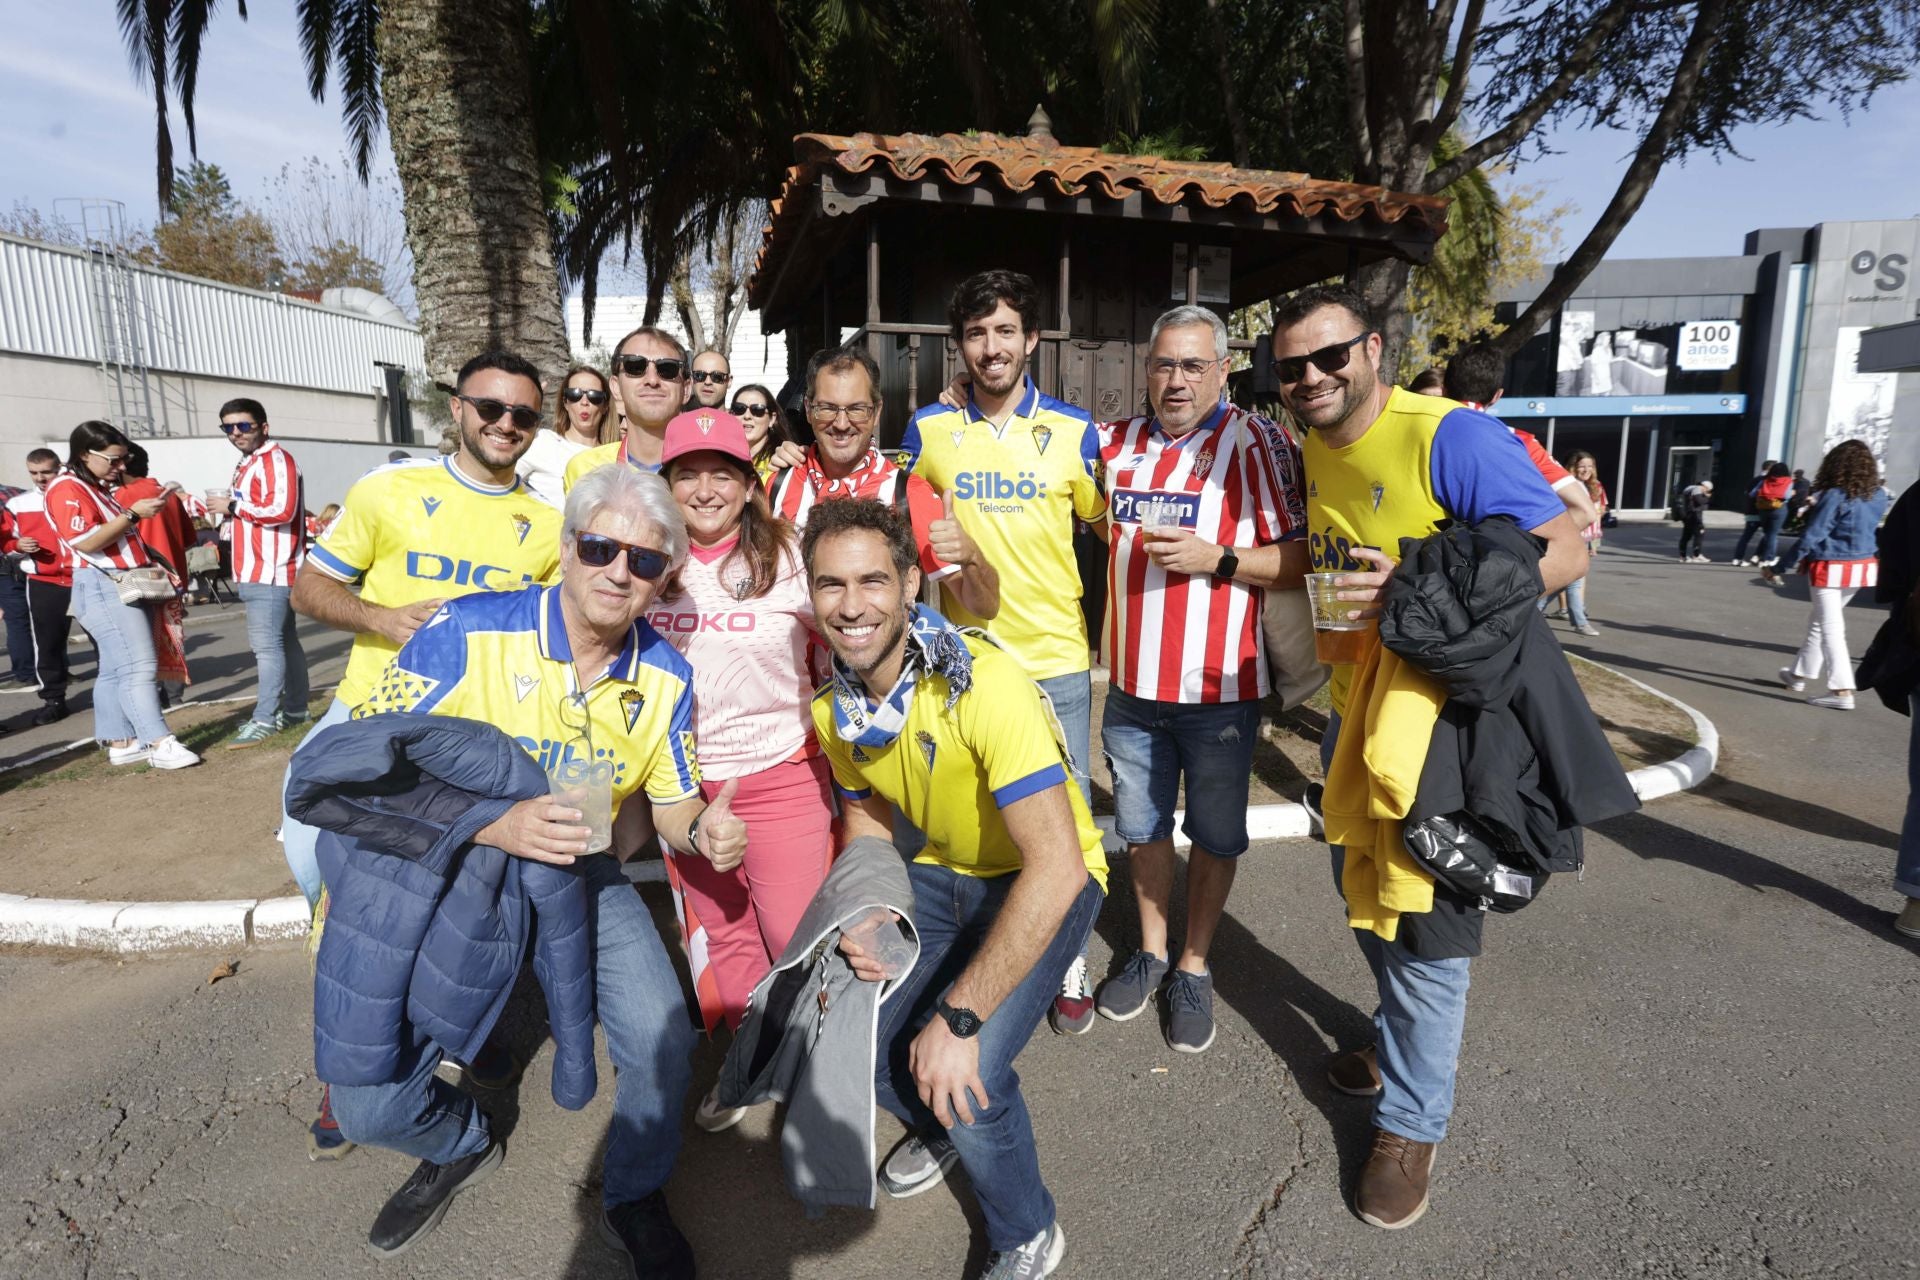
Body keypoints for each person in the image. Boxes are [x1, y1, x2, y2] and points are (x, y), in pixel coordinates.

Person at [322, 462, 742, 1276]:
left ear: (664, 581)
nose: (620, 572)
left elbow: (672, 808)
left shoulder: (668, 677)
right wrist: (495, 821)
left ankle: (631, 1192)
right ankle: (460, 1140)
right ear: (566, 546)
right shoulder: (465, 631)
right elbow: (360, 765)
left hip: (581, 875)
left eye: (645, 561)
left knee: (663, 1041)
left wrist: (702, 832)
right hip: (448, 868)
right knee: (368, 1105)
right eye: (600, 547)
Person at [1270, 285, 1584, 1229]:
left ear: (1374, 350)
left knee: (1431, 929)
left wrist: (1415, 586)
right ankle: (1397, 1043)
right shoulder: (1315, 449)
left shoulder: (1450, 435)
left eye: (1332, 358)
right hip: (1351, 718)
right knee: (1365, 897)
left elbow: (1564, 551)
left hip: (1446, 729)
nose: (1314, 378)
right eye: (1292, 368)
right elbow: (1325, 564)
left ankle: (1412, 1122)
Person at [805, 498, 1105, 1278]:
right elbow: (869, 823)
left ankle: (1028, 1230)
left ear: (910, 584)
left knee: (965, 1068)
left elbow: (1059, 865)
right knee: (860, 1040)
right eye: (830, 584)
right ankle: (941, 1126)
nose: (851, 605)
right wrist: (868, 911)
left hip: (1049, 876)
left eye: (874, 580)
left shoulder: (983, 682)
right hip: (943, 871)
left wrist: (962, 1020)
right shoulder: (836, 710)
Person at [287, 350, 564, 1155]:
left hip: (476, 744)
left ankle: (463, 1036)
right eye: (490, 408)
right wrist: (378, 618)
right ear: (457, 408)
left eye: (522, 415)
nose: (505, 425)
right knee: (317, 865)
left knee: (460, 903)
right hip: (371, 723)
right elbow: (310, 586)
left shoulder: (547, 527)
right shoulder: (388, 491)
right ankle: (350, 1070)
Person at [1092, 305, 1307, 1055]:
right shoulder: (1113, 445)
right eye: (1163, 365)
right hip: (1131, 687)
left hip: (1222, 689)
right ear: (1145, 371)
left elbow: (1301, 558)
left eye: (1192, 365)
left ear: (1223, 368)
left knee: (1215, 836)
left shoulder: (1257, 441)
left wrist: (1216, 558)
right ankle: (1151, 952)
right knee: (1142, 829)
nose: (1176, 380)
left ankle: (1194, 964)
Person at [899, 270, 1107, 1035]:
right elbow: (908, 521)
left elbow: (1110, 525)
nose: (993, 347)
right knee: (977, 810)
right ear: (961, 346)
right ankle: (991, 946)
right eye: (978, 334)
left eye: (1006, 331)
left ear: (1033, 340)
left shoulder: (1078, 432)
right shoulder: (929, 430)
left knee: (1070, 820)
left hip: (1055, 655)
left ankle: (1070, 956)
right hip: (967, 658)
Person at [650, 409, 835, 1127]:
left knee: (793, 937)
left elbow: (850, 631)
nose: (703, 489)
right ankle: (753, 1062)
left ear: (748, 483)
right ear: (665, 485)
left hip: (782, 771)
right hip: (682, 786)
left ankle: (816, 1071)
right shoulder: (644, 561)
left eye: (720, 473)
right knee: (726, 935)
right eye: (687, 474)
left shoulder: (789, 556)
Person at [770, 344, 999, 619]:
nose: (842, 423)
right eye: (827, 408)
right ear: (808, 409)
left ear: (877, 411)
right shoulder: (776, 483)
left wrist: (972, 556)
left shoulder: (907, 494)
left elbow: (984, 607)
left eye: (857, 409)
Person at [44, 423, 201, 770]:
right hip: (105, 583)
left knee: (117, 669)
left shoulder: (87, 485)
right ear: (86, 454)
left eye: (123, 459)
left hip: (108, 582)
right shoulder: (68, 487)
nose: (120, 467)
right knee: (139, 667)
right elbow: (85, 540)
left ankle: (122, 741)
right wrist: (132, 514)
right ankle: (158, 742)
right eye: (113, 460)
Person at [204, 398, 311, 747]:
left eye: (244, 425)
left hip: (270, 568)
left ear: (264, 426)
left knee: (268, 649)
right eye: (229, 427)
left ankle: (265, 718)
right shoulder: (250, 462)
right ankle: (295, 710)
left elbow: (282, 508)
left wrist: (232, 506)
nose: (236, 433)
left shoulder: (276, 460)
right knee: (284, 644)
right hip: (260, 567)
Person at [1777, 439, 1891, 711]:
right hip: (1862, 566)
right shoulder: (1878, 494)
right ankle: (1798, 675)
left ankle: (1841, 690)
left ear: (1836, 464)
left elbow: (1813, 535)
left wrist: (1780, 566)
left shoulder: (1835, 494)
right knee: (1821, 621)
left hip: (1831, 566)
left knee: (1830, 627)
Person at [1444, 343, 1599, 531]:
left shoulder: (1409, 427)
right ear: (1497, 396)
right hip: (1484, 551)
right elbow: (1585, 512)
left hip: (1409, 552)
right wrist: (1523, 550)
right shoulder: (1519, 441)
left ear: (1444, 390)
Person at [114, 445, 198, 707]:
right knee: (170, 637)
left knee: (140, 643)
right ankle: (173, 698)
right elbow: (188, 538)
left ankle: (149, 699)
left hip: (138, 578)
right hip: (172, 576)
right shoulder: (168, 494)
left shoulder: (122, 496)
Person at [564, 327, 691, 488]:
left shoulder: (708, 471)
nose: (652, 380)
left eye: (667, 369)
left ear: (686, 390)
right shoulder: (583, 471)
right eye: (635, 367)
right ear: (616, 387)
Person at [5, 449, 75, 723]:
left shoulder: (75, 495)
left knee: (102, 639)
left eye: (46, 471)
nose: (40, 478)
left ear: (59, 467)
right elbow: (8, 543)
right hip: (44, 581)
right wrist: (17, 546)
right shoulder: (19, 504)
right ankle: (54, 699)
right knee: (47, 643)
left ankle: (118, 691)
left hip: (83, 576)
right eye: (34, 473)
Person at [517, 365, 615, 507]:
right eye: (574, 394)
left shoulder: (615, 456)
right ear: (565, 403)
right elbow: (500, 482)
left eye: (594, 396)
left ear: (605, 406)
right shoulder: (542, 441)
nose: (584, 402)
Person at [1543, 450, 1607, 636]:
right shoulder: (1567, 486)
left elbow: (1599, 511)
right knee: (1574, 580)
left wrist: (1593, 542)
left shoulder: (1594, 486)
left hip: (1587, 538)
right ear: (1573, 467)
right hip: (1571, 536)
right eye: (1582, 466)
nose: (1586, 469)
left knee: (1566, 580)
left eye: (1590, 466)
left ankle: (1532, 611)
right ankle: (1580, 622)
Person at [1732, 461, 1793, 568]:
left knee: (1747, 536)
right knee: (1771, 535)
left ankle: (1738, 558)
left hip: (1761, 509)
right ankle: (1766, 559)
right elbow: (1787, 496)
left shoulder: (1763, 480)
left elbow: (1751, 494)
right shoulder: (1788, 481)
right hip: (1777, 508)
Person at [730, 382, 788, 479]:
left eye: (757, 410)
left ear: (772, 419)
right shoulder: (722, 457)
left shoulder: (783, 460)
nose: (747, 416)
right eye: (739, 408)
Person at [1677, 479, 1713, 562]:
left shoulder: (1689, 489)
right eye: (1707, 489)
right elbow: (1699, 501)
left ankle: (1683, 557)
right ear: (1705, 486)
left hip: (1687, 515)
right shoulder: (1697, 489)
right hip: (1694, 515)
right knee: (1700, 533)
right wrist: (1707, 498)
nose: (1706, 491)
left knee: (1686, 536)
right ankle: (1696, 555)